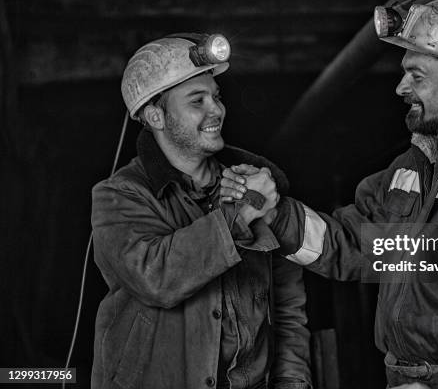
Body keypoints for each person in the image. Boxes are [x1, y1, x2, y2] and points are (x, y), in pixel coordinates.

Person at [221, 0, 438, 389]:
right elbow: (354, 244)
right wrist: (275, 214)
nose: (400, 87)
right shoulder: (411, 168)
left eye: (417, 75)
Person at [90, 33, 311, 389]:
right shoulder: (119, 196)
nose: (217, 110)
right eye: (198, 100)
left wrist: (293, 383)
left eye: (216, 97)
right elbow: (156, 277)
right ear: (156, 116)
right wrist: (238, 214)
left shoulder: (255, 180)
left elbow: (287, 307)